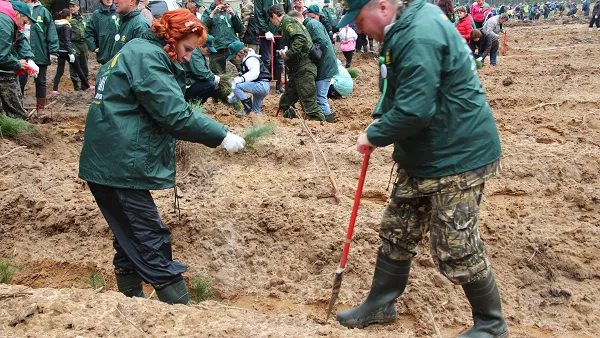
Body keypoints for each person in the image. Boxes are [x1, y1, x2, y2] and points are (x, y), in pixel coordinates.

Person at [335, 0, 508, 337]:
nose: (357, 30)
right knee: (396, 229)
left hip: (457, 154)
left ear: (382, 6)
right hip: (425, 154)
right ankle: (381, 303)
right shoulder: (402, 29)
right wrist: (381, 114)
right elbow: (398, 87)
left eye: (359, 20)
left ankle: (491, 325)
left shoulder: (418, 34)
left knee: (455, 244)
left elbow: (416, 109)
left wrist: (376, 134)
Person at [79, 9, 245, 305]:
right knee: (148, 235)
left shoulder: (136, 50)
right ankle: (180, 310)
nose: (186, 57)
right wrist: (221, 135)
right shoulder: (148, 58)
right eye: (187, 49)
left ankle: (131, 304)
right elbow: (175, 114)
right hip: (119, 162)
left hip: (111, 157)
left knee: (129, 235)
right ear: (171, 38)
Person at [268, 4, 324, 121]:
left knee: (309, 105)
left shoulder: (288, 23)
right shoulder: (287, 24)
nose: (272, 23)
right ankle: (290, 123)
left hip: (304, 68)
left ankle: (322, 128)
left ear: (274, 16)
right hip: (297, 70)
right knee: (286, 102)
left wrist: (288, 54)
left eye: (271, 20)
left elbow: (301, 39)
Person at [18, 0, 58, 115]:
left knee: (41, 81)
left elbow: (51, 31)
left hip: (39, 52)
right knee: (19, 81)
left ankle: (40, 109)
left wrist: (53, 51)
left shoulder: (42, 11)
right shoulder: (17, 9)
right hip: (21, 53)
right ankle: (18, 108)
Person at [298, 7, 338, 123]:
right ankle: (325, 117)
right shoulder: (312, 24)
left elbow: (322, 42)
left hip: (325, 66)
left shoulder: (312, 25)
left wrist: (313, 54)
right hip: (324, 65)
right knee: (320, 96)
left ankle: (328, 121)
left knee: (321, 97)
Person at [0, 1, 35, 120]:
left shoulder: (8, 17)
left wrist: (30, 59)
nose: (23, 27)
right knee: (16, 112)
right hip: (4, 70)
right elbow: (1, 56)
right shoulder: (4, 23)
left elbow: (20, 38)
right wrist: (17, 63)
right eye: (24, 22)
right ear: (18, 14)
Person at [226, 41, 271, 117]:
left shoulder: (250, 59)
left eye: (235, 57)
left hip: (261, 85)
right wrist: (232, 97)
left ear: (241, 53)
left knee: (237, 86)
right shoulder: (248, 59)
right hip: (263, 86)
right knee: (255, 112)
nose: (234, 59)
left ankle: (247, 108)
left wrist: (241, 79)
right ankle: (257, 119)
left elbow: (255, 73)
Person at [52, 8, 91, 94]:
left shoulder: (55, 25)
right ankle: (87, 86)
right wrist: (70, 52)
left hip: (59, 50)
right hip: (66, 51)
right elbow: (67, 40)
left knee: (60, 70)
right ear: (67, 17)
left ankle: (54, 89)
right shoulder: (66, 26)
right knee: (78, 68)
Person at [255, 0, 290, 93]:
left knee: (279, 59)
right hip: (266, 34)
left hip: (280, 33)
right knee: (267, 59)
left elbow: (287, 11)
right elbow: (258, 14)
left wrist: (285, 29)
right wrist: (265, 30)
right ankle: (265, 85)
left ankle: (278, 85)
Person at [201, 0, 243, 75]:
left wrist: (234, 16)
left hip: (233, 47)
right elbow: (203, 28)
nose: (220, 1)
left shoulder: (232, 10)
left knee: (242, 69)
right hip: (216, 48)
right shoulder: (208, 12)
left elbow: (240, 29)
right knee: (219, 75)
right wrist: (213, 13)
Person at [183, 34, 220, 103]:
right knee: (210, 85)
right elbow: (200, 72)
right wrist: (213, 77)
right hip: (186, 84)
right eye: (208, 50)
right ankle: (192, 103)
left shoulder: (198, 52)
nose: (209, 52)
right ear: (201, 46)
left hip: (191, 81)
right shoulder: (194, 53)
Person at [85, 0, 119, 65]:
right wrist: (94, 47)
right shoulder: (96, 14)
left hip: (118, 54)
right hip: (104, 55)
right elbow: (88, 32)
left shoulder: (119, 12)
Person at [68, 0, 89, 91]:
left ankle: (84, 84)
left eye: (74, 6)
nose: (72, 8)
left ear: (78, 7)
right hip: (74, 43)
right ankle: (76, 85)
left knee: (84, 63)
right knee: (74, 64)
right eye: (70, 7)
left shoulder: (83, 18)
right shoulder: (69, 19)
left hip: (83, 43)